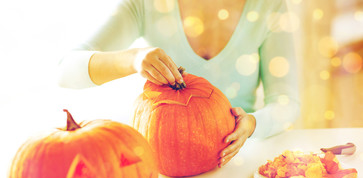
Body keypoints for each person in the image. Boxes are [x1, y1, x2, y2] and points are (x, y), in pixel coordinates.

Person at [58, 0, 300, 167]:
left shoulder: (270, 6)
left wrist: (253, 123)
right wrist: (133, 59)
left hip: (237, 163)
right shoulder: (145, 4)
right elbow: (66, 71)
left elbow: (286, 102)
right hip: (163, 166)